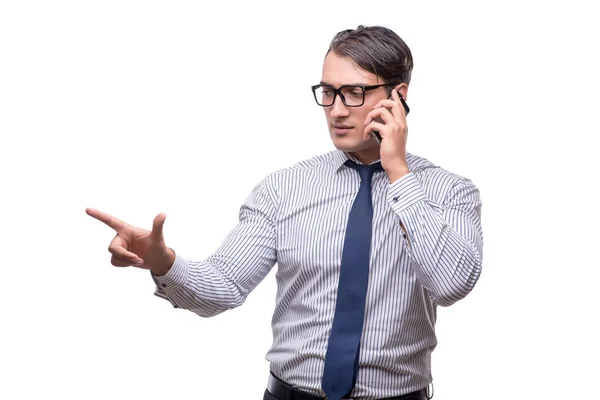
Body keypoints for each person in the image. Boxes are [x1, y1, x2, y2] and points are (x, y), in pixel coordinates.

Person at [87, 25, 483, 400]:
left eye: (355, 92)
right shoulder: (284, 189)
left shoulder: (450, 191)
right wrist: (164, 263)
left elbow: (451, 285)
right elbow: (223, 287)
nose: (336, 110)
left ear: (398, 96)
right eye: (328, 91)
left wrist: (398, 172)